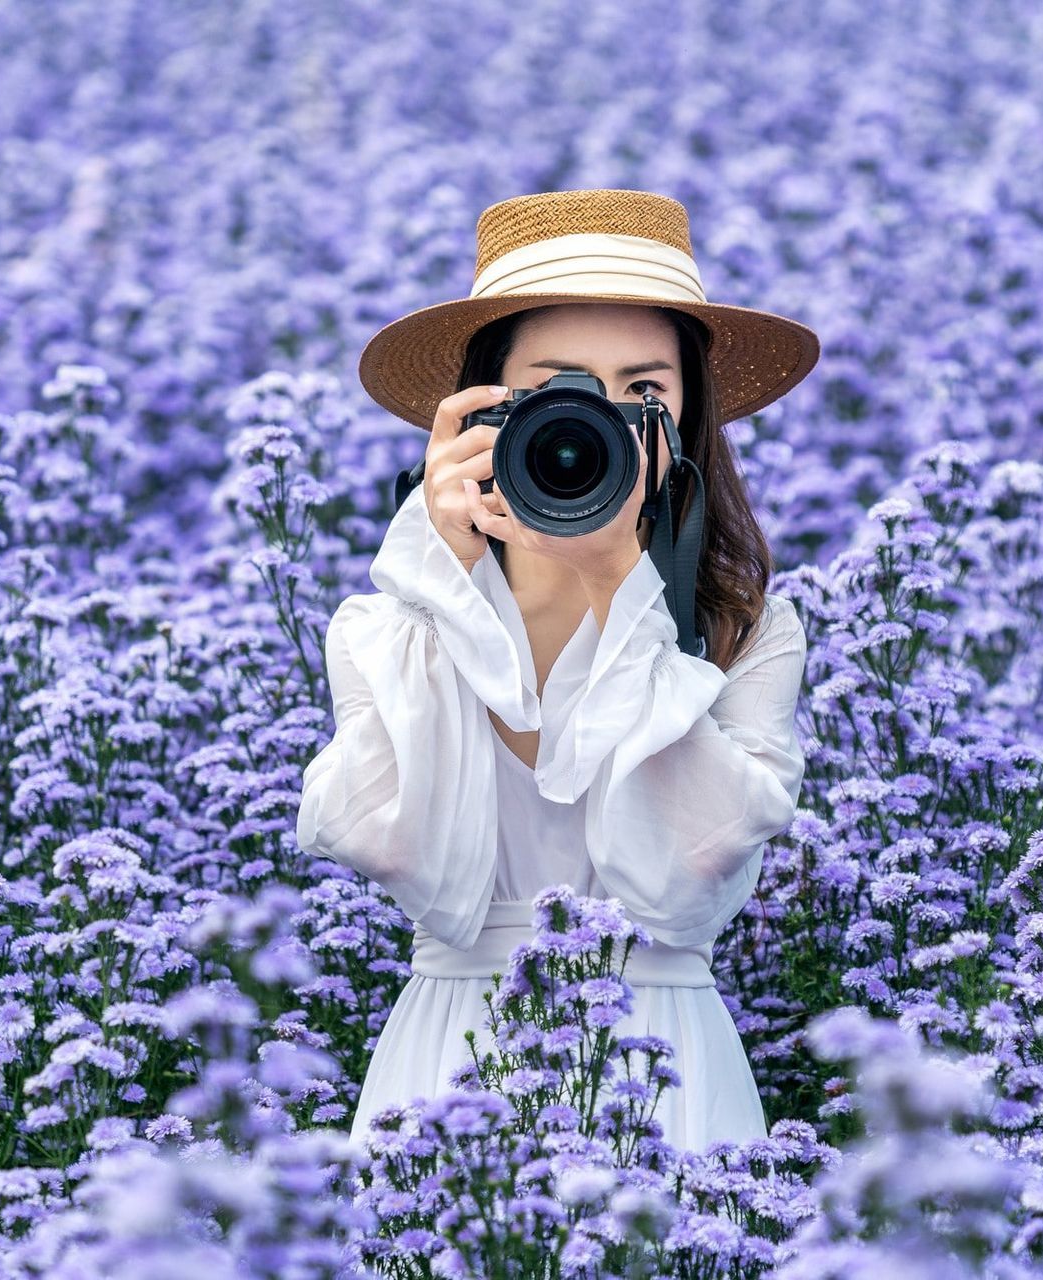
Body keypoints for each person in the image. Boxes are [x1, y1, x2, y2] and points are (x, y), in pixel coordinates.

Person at [296, 188, 820, 1156]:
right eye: (561, 390)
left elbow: (684, 884)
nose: (604, 428)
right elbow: (395, 851)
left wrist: (620, 585)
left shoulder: (747, 629)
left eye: (645, 393)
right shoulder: (389, 627)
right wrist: (446, 582)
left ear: (692, 414)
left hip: (664, 1069)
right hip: (449, 1070)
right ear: (483, 411)